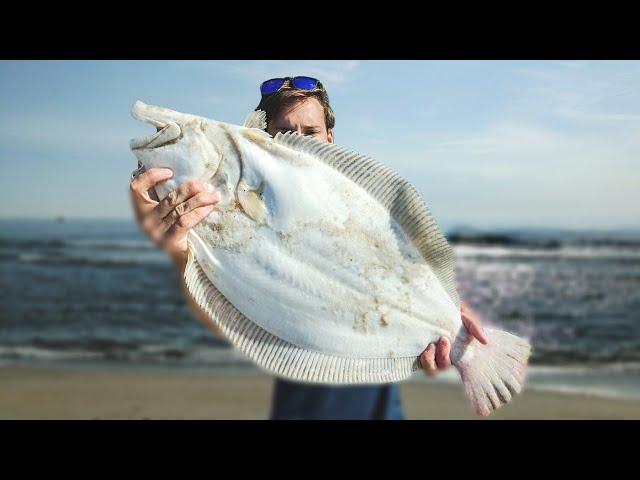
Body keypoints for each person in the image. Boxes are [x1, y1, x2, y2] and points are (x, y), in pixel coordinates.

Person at [129, 76, 488, 420]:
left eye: (311, 132)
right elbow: (225, 312)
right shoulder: (214, 215)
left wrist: (450, 311)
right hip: (303, 406)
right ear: (261, 140)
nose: (299, 142)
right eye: (283, 133)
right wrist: (179, 251)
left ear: (330, 139)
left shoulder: (362, 206)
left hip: (380, 408)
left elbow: (407, 265)